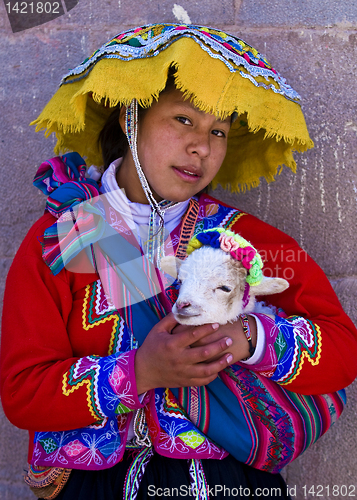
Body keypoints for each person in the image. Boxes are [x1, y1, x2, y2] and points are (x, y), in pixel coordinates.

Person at [1, 24, 357, 500]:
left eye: (218, 132)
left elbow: (341, 349)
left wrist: (248, 337)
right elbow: (23, 392)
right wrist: (139, 373)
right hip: (91, 486)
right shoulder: (63, 240)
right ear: (132, 118)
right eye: (183, 120)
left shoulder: (242, 241)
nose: (202, 147)